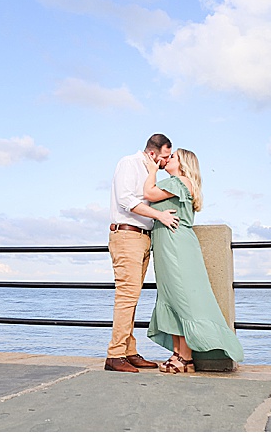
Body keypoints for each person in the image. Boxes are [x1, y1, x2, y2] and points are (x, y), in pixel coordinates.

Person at [143, 148, 244, 373]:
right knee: (170, 298)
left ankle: (186, 357)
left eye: (173, 156)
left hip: (177, 246)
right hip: (165, 245)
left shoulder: (181, 182)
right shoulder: (172, 183)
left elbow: (149, 194)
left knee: (182, 298)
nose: (167, 159)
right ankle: (179, 353)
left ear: (183, 164)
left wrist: (151, 170)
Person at [105, 133, 180, 373]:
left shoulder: (151, 172)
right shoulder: (128, 163)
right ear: (152, 153)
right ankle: (115, 355)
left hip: (142, 237)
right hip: (127, 235)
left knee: (133, 297)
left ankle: (128, 351)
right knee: (127, 296)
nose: (166, 161)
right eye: (165, 156)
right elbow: (126, 199)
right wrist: (160, 216)